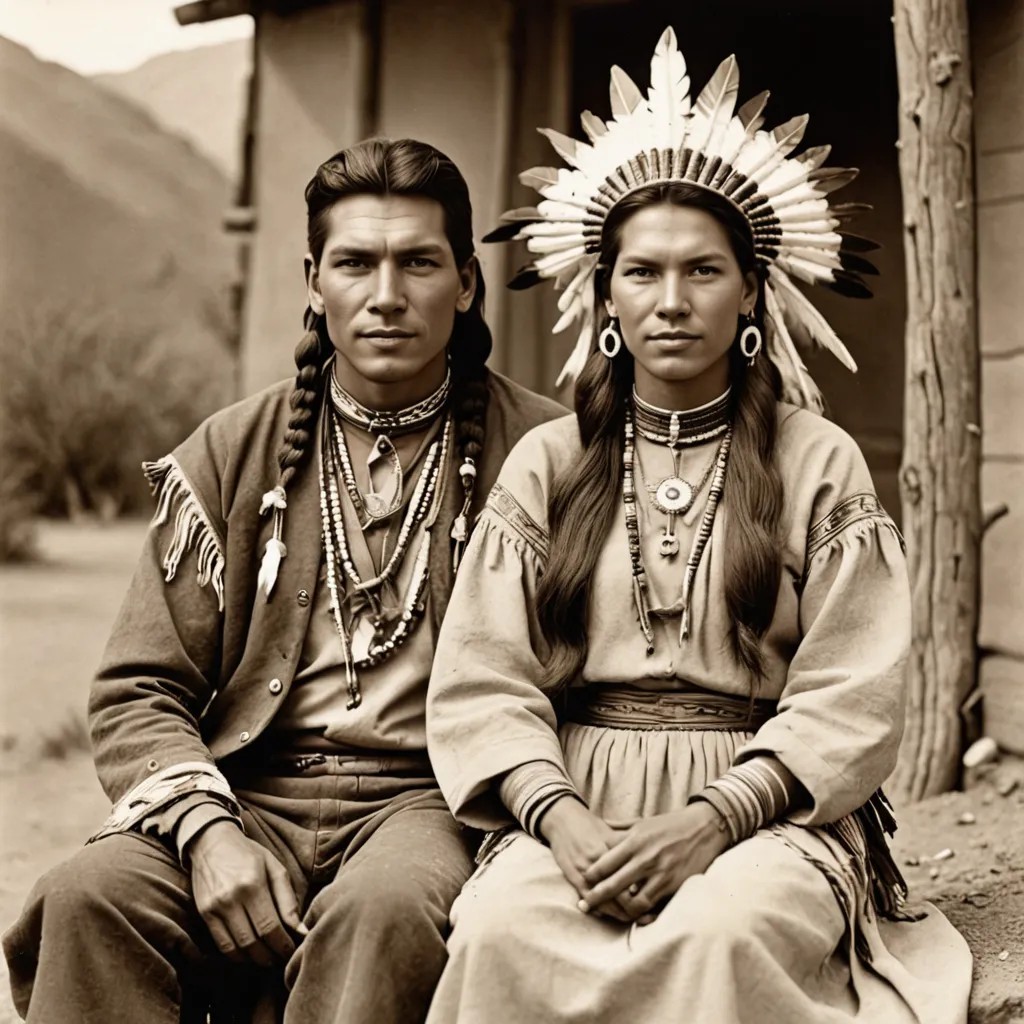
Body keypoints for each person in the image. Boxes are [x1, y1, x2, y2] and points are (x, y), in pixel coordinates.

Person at [424, 29, 972, 1023]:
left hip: (769, 812)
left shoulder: (817, 461)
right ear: (603, 294)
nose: (670, 301)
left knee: (722, 931)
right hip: (574, 803)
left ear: (753, 288)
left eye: (703, 271)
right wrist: (558, 817)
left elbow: (854, 694)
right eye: (641, 273)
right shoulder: (548, 463)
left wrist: (714, 818)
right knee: (502, 927)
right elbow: (481, 677)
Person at [3, 137, 564, 1024]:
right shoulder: (233, 452)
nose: (386, 295)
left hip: (429, 800)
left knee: (386, 913)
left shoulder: (545, 455)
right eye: (355, 263)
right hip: (247, 787)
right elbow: (139, 687)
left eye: (418, 262)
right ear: (314, 279)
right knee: (91, 894)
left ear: (464, 283)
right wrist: (207, 828)